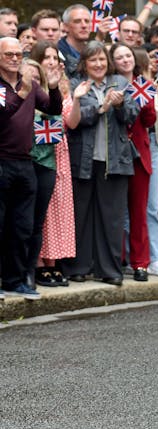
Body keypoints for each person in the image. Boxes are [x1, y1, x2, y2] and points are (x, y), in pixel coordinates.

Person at [62, 41, 139, 285]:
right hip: (82, 159)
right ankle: (77, 267)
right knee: (81, 215)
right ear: (84, 64)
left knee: (112, 218)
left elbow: (131, 116)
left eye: (102, 60)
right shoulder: (76, 85)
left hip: (114, 160)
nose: (98, 64)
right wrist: (100, 107)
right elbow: (75, 119)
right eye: (93, 60)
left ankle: (110, 270)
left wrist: (118, 105)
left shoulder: (121, 83)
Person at [0, 37, 62, 300]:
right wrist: (22, 94)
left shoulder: (30, 83)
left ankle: (15, 281)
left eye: (18, 54)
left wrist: (56, 88)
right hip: (1, 161)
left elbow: (53, 108)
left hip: (26, 164)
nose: (15, 58)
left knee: (22, 226)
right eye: (8, 54)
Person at [29, 41, 77, 287]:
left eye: (54, 57)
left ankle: (53, 261)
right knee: (40, 213)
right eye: (45, 57)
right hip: (38, 154)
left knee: (58, 210)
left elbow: (71, 120)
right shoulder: (31, 85)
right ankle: (37, 263)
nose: (51, 61)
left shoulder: (65, 87)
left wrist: (75, 98)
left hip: (60, 153)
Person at [111, 43, 158, 282]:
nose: (125, 60)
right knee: (116, 210)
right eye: (119, 57)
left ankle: (141, 262)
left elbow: (150, 121)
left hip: (139, 154)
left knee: (139, 212)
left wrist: (147, 101)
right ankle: (116, 260)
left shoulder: (145, 85)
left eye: (128, 55)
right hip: (116, 153)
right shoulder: (110, 84)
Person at [58, 4, 91, 79]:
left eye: (87, 21)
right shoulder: (57, 53)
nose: (84, 25)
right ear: (65, 26)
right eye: (77, 21)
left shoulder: (94, 52)